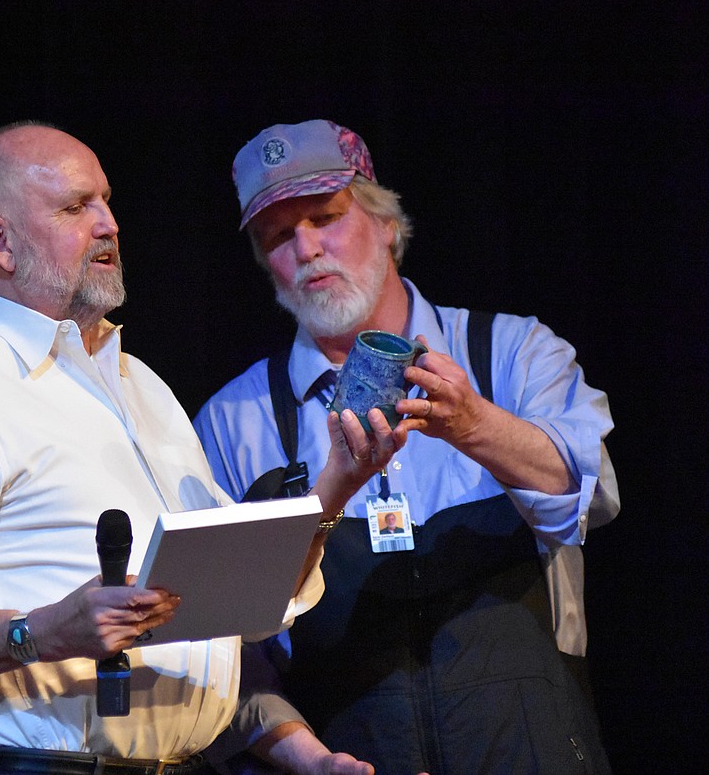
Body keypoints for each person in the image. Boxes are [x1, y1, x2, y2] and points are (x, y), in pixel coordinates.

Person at [0, 121, 403, 775]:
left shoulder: (145, 390)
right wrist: (39, 631)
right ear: (1, 242)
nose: (109, 223)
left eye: (106, 201)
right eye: (76, 206)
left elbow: (246, 598)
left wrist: (338, 480)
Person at [193, 119, 620, 774]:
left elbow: (589, 497)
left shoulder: (509, 352)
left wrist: (474, 424)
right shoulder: (234, 422)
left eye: (325, 216)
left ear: (387, 224)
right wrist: (313, 761)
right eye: (278, 235)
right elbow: (228, 651)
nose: (306, 248)